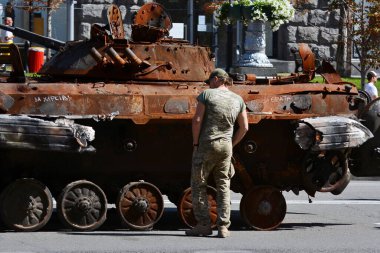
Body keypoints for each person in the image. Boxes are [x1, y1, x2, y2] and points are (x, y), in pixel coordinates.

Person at [185, 68, 249, 238]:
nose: (209, 83)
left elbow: (197, 120)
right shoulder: (238, 99)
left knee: (199, 184)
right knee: (223, 185)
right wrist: (232, 143)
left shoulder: (207, 95)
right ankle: (223, 227)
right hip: (226, 146)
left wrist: (196, 143)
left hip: (207, 144)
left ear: (218, 79)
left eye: (211, 80)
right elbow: (245, 127)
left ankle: (204, 225)